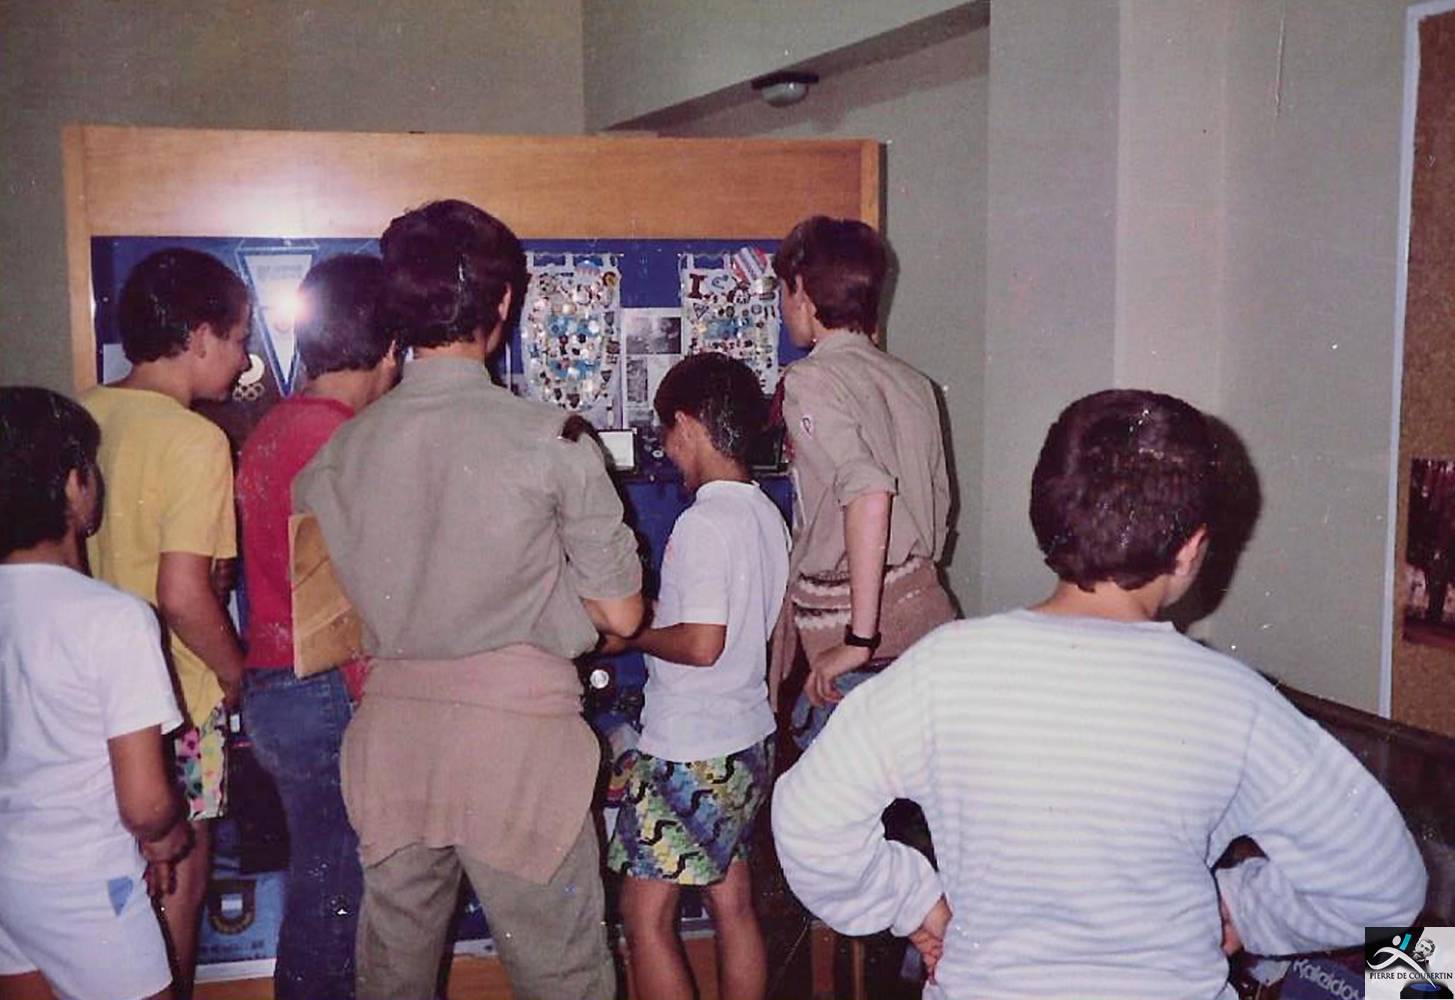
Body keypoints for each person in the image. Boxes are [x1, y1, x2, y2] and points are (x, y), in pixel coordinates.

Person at [771, 388, 1428, 999]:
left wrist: (912, 904)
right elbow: (1385, 887)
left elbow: (807, 821)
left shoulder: (943, 668)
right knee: (1430, 974)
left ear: (1044, 519)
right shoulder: (1235, 702)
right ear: (1191, 550)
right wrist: (1244, 909)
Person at [294, 199, 644, 1000]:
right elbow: (622, 613)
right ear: (503, 304)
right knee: (561, 977)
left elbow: (337, 613)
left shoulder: (338, 454)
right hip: (517, 747)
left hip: (390, 744)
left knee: (393, 978)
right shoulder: (551, 439)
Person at [82, 247, 251, 997]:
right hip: (172, 696)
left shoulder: (83, 414)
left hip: (85, 696)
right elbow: (183, 594)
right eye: (239, 340)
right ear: (201, 336)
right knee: (179, 871)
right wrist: (235, 672)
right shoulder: (195, 439)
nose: (243, 362)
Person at [602, 353, 791, 1000]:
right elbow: (725, 623)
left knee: (643, 915)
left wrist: (631, 635)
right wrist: (649, 614)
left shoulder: (704, 521)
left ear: (686, 424)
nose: (666, 449)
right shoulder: (763, 514)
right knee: (731, 900)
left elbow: (703, 643)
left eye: (667, 433)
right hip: (745, 739)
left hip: (690, 747)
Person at [235, 254, 397, 1000]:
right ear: (390, 348)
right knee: (336, 899)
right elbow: (352, 593)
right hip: (328, 684)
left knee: (320, 884)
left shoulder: (275, 425)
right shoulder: (346, 441)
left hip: (275, 682)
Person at [0, 387, 190, 1000]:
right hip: (85, 880)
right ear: (73, 485)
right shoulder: (113, 618)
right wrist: (167, 836)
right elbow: (145, 803)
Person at [768, 216, 956, 730]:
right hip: (926, 620)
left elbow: (870, 491)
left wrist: (858, 639)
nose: (783, 306)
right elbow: (937, 514)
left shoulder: (809, 381)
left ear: (801, 290)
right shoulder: (914, 383)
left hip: (861, 638)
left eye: (783, 291)